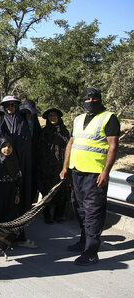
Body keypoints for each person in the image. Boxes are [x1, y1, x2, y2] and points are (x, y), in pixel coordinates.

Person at [60, 88, 120, 266]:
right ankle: (83, 241)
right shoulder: (78, 119)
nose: (90, 101)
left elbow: (113, 146)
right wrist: (65, 167)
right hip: (77, 171)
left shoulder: (109, 118)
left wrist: (105, 172)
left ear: (99, 100)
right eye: (87, 98)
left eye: (94, 98)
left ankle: (91, 251)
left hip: (95, 174)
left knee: (93, 212)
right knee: (79, 209)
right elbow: (71, 143)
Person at [0, 95, 37, 248]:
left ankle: (20, 237)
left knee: (20, 204)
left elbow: (26, 148)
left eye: (13, 105)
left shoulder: (22, 123)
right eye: (7, 105)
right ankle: (3, 238)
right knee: (5, 204)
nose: (10, 108)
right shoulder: (0, 122)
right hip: (4, 170)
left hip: (21, 171)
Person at [38, 107, 70, 224]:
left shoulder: (64, 131)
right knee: (48, 191)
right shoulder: (44, 132)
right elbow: (40, 150)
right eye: (50, 116)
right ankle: (47, 215)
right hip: (47, 167)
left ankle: (58, 215)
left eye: (54, 116)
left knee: (62, 191)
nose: (52, 118)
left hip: (62, 166)